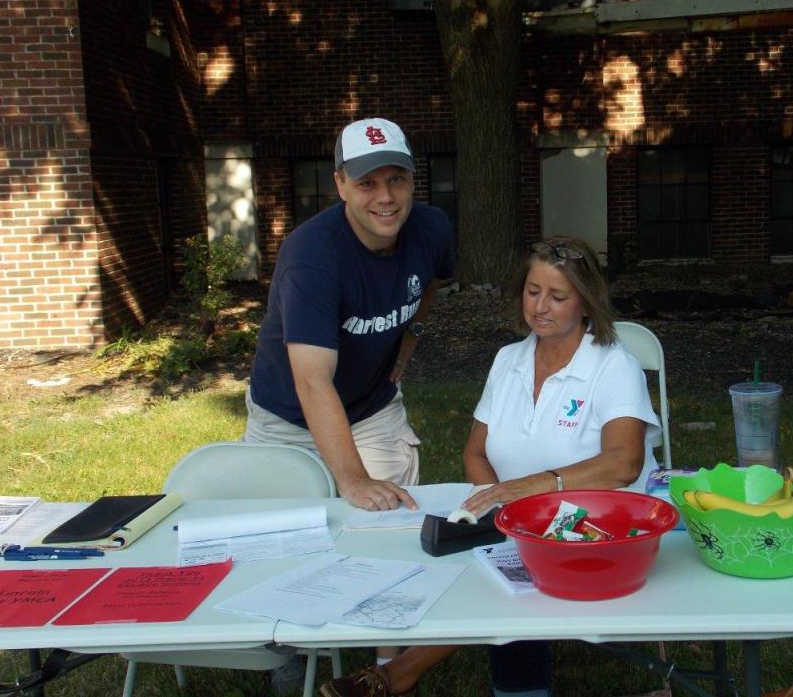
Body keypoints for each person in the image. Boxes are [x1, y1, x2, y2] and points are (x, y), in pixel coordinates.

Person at [321, 236, 661, 697]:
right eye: (532, 291)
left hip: (601, 521)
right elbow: (475, 453)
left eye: (557, 296)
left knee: (514, 576)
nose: (540, 307)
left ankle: (398, 674)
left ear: (586, 302)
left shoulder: (612, 365)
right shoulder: (510, 360)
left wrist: (530, 491)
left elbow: (624, 463)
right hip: (522, 519)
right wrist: (500, 507)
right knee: (477, 557)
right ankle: (405, 671)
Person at [243, 116, 456, 511]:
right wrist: (354, 481)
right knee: (284, 529)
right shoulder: (312, 259)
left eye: (396, 179)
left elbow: (431, 282)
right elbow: (313, 381)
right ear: (340, 184)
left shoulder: (432, 229)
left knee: (387, 522)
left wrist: (409, 341)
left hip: (371, 410)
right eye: (367, 183)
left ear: (413, 180)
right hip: (286, 418)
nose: (386, 197)